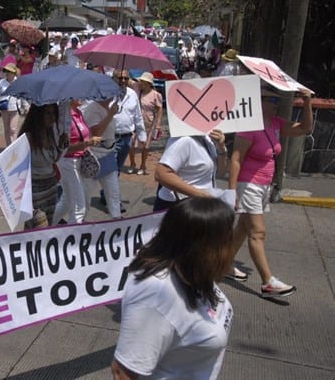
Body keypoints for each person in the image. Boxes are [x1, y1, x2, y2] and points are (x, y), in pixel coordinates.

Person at [111, 197, 235, 380]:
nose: (231, 248)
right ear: (202, 247)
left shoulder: (193, 272)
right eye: (226, 240)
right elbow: (122, 373)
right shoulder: (156, 294)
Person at [228, 88, 313, 297]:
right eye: (271, 99)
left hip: (264, 186)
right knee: (257, 232)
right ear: (258, 102)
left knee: (242, 229)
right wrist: (231, 191)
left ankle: (223, 264)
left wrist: (307, 102)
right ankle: (268, 282)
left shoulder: (276, 123)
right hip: (248, 185)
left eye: (277, 99)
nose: (276, 103)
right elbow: (236, 159)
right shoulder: (248, 127)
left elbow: (305, 128)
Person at [53, 100, 102, 225]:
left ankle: (45, 227)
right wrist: (88, 143)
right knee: (79, 207)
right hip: (68, 163)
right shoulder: (63, 116)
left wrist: (88, 143)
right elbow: (63, 148)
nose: (82, 97)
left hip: (78, 161)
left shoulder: (78, 112)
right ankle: (73, 241)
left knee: (66, 202)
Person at [19, 104, 67, 229]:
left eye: (54, 114)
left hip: (50, 188)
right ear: (38, 115)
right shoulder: (27, 138)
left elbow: (53, 159)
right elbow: (17, 166)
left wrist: (61, 146)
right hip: (34, 191)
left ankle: (27, 248)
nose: (52, 117)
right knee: (41, 227)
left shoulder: (51, 133)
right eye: (48, 113)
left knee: (38, 229)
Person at [81, 98, 122, 219]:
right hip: (93, 156)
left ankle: (117, 222)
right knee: (85, 198)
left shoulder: (108, 107)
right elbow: (97, 132)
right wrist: (110, 115)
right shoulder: (92, 109)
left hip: (108, 155)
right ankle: (79, 225)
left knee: (114, 194)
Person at [129, 72, 163, 175]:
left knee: (145, 146)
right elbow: (129, 81)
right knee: (131, 144)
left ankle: (143, 165)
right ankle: (132, 163)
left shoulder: (155, 95)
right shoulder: (137, 88)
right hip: (135, 122)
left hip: (148, 123)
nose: (140, 83)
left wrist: (158, 123)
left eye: (143, 82)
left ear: (148, 83)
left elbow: (159, 109)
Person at [0, 63, 26, 146]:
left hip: (14, 108)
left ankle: (13, 147)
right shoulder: (2, 82)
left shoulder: (18, 82)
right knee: (6, 129)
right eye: (6, 71)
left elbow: (22, 95)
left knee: (13, 129)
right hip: (4, 108)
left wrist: (25, 106)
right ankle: (8, 147)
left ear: (13, 73)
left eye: (9, 71)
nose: (7, 73)